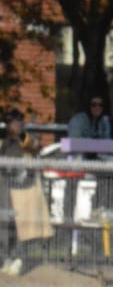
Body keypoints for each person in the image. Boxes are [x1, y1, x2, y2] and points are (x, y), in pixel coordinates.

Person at [2, 108, 55, 275]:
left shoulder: (25, 138)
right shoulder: (4, 142)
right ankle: (6, 257)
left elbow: (35, 146)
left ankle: (19, 258)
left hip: (23, 188)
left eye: (18, 122)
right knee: (5, 223)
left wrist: (22, 135)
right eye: (13, 122)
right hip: (6, 187)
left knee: (22, 224)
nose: (16, 125)